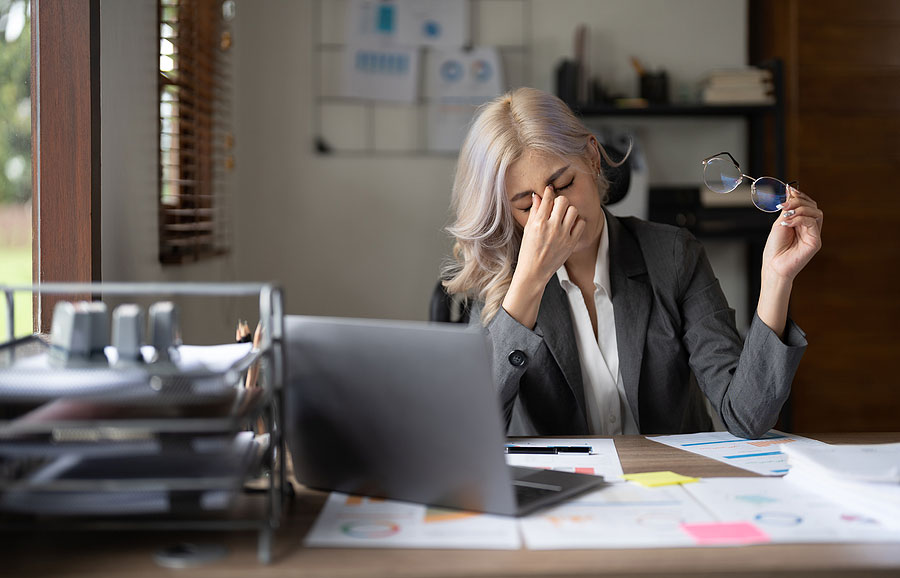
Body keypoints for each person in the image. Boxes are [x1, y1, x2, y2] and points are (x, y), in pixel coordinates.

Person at [442, 87, 823, 439]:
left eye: (563, 185)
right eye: (529, 205)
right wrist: (529, 283)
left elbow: (746, 417)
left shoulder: (673, 255)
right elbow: (471, 435)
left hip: (674, 486)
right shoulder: (498, 280)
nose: (557, 212)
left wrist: (776, 278)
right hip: (563, 497)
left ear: (591, 158)